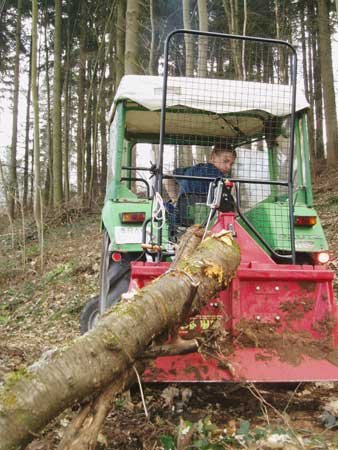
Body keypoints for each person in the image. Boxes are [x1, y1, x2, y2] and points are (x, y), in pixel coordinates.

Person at [171, 145, 237, 228]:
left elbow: (168, 178)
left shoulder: (190, 170)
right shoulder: (218, 177)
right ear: (213, 157)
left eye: (231, 164)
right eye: (225, 161)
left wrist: (175, 199)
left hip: (180, 220)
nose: (228, 167)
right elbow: (229, 207)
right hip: (205, 224)